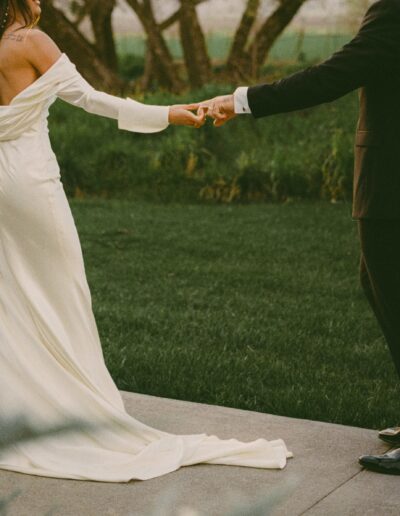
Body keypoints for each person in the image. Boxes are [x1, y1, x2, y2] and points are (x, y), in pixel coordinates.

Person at [0, 0, 293, 482]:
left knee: (15, 295)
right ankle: (84, 407)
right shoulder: (28, 42)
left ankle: (30, 403)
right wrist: (168, 114)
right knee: (66, 293)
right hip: (31, 185)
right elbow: (92, 99)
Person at [198, 0, 400, 476]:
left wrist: (243, 100)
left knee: (393, 290)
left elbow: (336, 74)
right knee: (378, 284)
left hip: (392, 180)